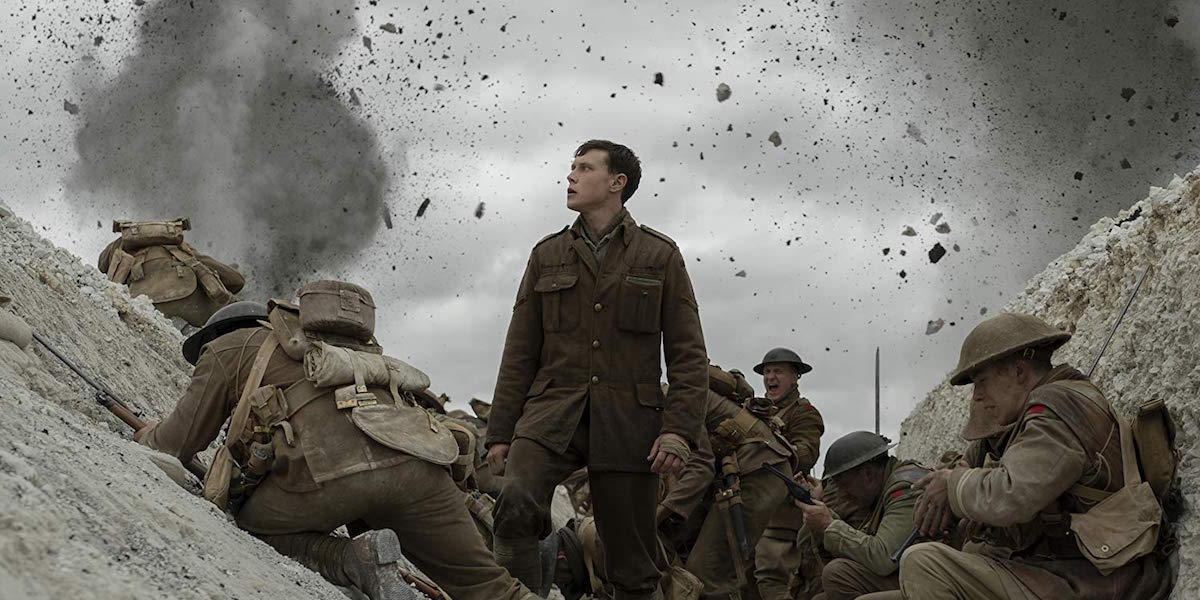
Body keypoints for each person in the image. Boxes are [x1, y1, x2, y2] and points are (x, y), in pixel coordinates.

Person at [136, 283, 537, 600]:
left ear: (219, 333)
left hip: (329, 473)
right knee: (493, 589)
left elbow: (175, 444)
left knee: (252, 523)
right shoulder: (345, 352)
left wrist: (146, 433)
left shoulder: (227, 346)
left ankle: (352, 559)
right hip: (419, 468)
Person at [486, 140, 709, 599]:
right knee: (514, 502)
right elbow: (519, 352)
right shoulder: (547, 255)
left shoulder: (659, 256)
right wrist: (500, 432)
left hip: (629, 421)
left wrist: (678, 433)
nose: (570, 176)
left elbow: (688, 355)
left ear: (616, 183)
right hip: (552, 413)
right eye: (571, 167)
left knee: (631, 562)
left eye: (584, 168)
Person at [899, 312, 1169, 599]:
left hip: (1093, 580)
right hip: (1053, 571)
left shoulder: (1056, 411)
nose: (976, 396)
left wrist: (953, 486)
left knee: (923, 564)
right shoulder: (1034, 419)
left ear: (1019, 372)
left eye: (982, 382)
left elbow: (1011, 494)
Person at [794, 431, 928, 600]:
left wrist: (828, 525)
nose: (842, 494)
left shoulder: (904, 489)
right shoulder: (883, 488)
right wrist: (823, 514)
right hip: (912, 572)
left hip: (929, 580)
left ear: (868, 474)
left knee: (838, 574)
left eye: (843, 485)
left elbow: (883, 558)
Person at [749, 347, 825, 600]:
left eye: (778, 372)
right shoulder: (756, 413)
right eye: (767, 372)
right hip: (753, 508)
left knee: (775, 581)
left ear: (795, 377)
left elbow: (805, 454)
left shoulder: (804, 413)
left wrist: (763, 450)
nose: (771, 377)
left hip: (782, 516)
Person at [98, 218, 244, 327]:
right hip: (191, 302)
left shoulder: (119, 247)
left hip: (143, 308)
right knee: (237, 312)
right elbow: (237, 281)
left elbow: (101, 267)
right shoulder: (181, 249)